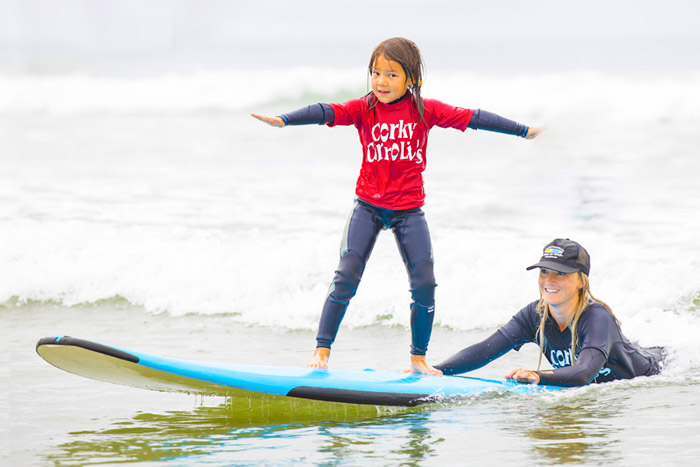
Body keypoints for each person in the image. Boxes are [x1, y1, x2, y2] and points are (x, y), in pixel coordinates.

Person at [252, 37, 543, 374]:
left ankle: (418, 359)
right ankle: (321, 352)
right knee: (347, 275)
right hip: (369, 207)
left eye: (391, 74)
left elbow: (473, 118)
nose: (380, 82)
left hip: (408, 211)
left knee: (424, 282)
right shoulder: (364, 109)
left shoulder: (425, 110)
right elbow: (325, 112)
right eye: (375, 73)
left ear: (411, 79)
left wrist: (523, 131)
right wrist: (285, 119)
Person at [435, 238, 665, 386]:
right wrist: (436, 371)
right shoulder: (534, 315)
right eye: (544, 271)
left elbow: (584, 373)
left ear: (581, 281)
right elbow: (484, 351)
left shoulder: (596, 318)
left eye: (561, 273)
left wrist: (538, 375)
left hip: (655, 373)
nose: (549, 280)